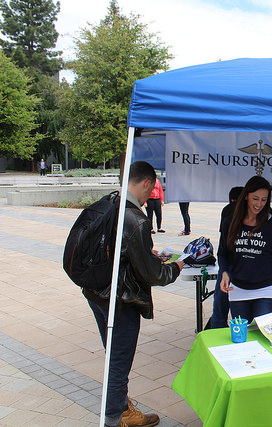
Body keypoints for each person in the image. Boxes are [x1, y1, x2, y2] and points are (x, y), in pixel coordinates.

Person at [82, 161, 184, 427]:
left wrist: (142, 253)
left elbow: (115, 248)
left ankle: (121, 408)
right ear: (148, 184)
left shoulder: (108, 203)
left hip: (96, 292)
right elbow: (153, 275)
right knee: (119, 360)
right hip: (120, 299)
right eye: (151, 189)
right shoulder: (136, 218)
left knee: (113, 354)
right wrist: (175, 267)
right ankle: (115, 419)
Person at [217, 176, 272, 323]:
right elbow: (222, 252)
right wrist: (225, 272)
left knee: (264, 334)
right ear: (246, 196)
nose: (259, 204)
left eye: (264, 200)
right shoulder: (231, 221)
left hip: (265, 289)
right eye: (255, 199)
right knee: (242, 336)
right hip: (237, 289)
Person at [206, 186, 243, 329]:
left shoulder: (227, 209)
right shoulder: (250, 211)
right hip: (243, 264)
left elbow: (223, 240)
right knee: (240, 308)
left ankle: (216, 333)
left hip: (227, 262)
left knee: (220, 307)